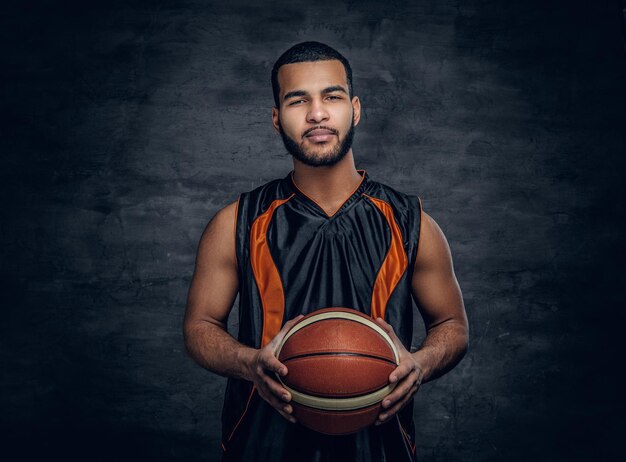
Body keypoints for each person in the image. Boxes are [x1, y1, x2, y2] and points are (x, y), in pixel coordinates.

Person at [184, 41, 469, 462]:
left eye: (331, 96)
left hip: (380, 448)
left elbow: (453, 325)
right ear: (276, 119)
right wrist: (250, 364)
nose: (317, 113)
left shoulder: (411, 222)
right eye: (298, 100)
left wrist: (421, 364)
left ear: (355, 109)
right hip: (262, 447)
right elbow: (199, 327)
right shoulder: (237, 222)